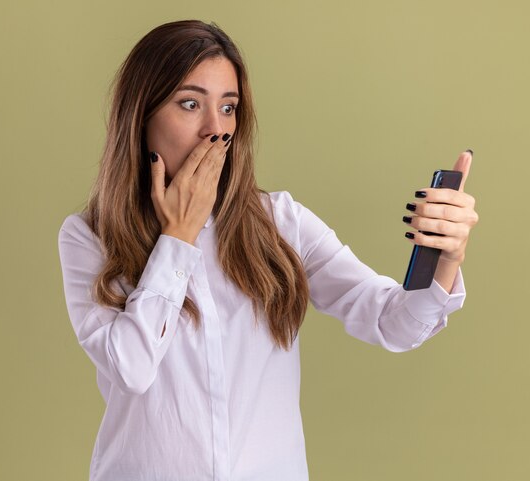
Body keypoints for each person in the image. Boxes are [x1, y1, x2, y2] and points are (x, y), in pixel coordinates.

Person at [57, 19, 478, 481]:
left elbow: (392, 323)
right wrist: (178, 237)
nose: (214, 129)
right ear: (142, 116)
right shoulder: (88, 238)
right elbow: (131, 367)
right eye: (190, 104)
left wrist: (445, 257)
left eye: (229, 107)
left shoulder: (280, 223)